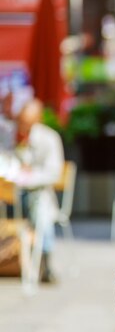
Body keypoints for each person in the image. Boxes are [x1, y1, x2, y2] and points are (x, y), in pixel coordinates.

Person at [14, 98, 64, 283]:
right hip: (11, 195)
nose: (23, 126)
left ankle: (45, 259)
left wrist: (29, 176)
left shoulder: (49, 138)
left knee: (41, 206)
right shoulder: (10, 135)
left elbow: (53, 173)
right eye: (21, 121)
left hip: (37, 193)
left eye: (27, 123)